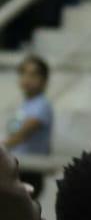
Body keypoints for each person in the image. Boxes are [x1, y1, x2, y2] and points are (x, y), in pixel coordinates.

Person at [4, 55, 54, 205]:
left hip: (29, 173)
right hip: (16, 171)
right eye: (23, 73)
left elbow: (20, 136)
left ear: (44, 80)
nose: (27, 78)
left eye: (33, 74)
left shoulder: (42, 106)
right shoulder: (24, 106)